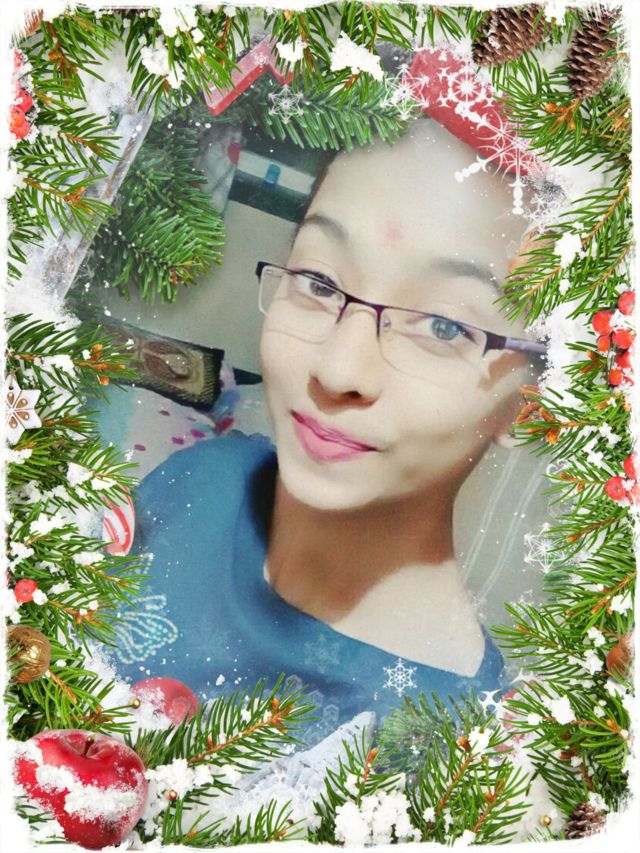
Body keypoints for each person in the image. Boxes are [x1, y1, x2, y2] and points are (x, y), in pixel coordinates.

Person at [112, 117, 546, 746]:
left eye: (444, 327)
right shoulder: (204, 478)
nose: (339, 369)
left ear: (533, 402)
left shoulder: (453, 747)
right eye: (319, 282)